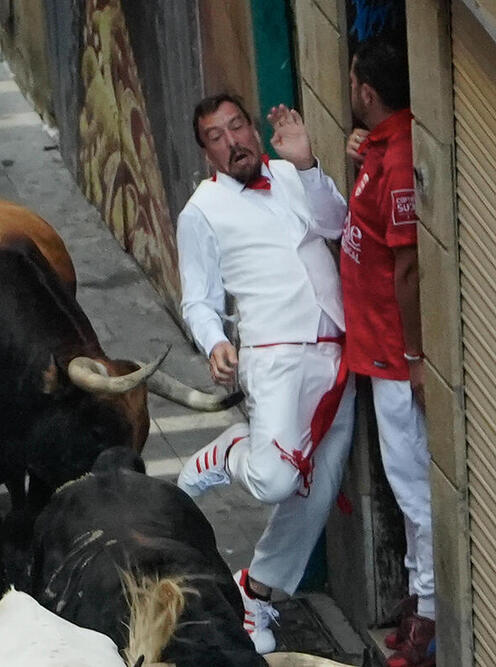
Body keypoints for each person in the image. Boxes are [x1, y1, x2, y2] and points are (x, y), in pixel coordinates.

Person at [175, 94, 355, 654]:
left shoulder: (287, 172)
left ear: (253, 128)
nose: (233, 142)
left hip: (335, 346)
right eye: (216, 137)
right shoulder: (200, 210)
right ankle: (231, 451)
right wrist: (213, 344)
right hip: (273, 354)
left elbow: (338, 223)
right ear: (207, 153)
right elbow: (198, 300)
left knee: (318, 488)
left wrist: (305, 163)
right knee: (276, 478)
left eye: (237, 127)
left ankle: (255, 593)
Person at [342, 39, 434, 667]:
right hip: (376, 352)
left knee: (413, 488)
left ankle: (430, 614)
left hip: (395, 361)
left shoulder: (398, 161)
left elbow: (408, 269)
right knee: (405, 485)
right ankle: (417, 595)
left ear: (366, 90)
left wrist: (416, 355)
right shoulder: (378, 147)